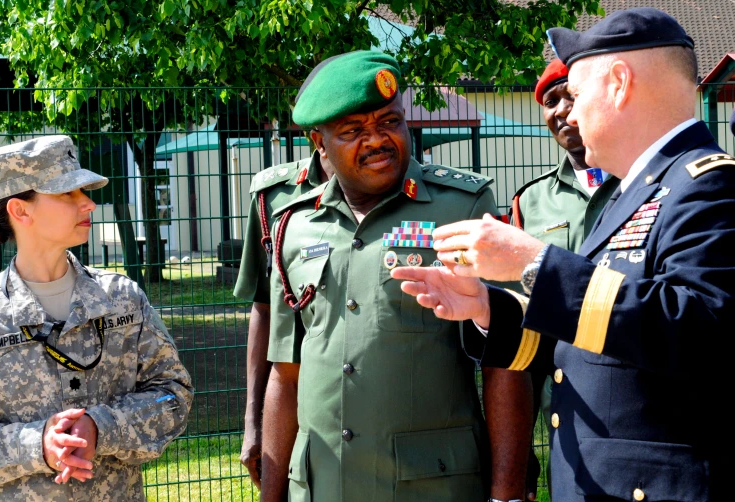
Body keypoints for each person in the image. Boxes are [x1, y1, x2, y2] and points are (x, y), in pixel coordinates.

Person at [393, 8, 732, 501]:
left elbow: (703, 334)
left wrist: (534, 264)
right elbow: (586, 343)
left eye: (575, 93)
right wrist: (487, 309)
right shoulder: (635, 191)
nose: (568, 113)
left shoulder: (708, 186)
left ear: (618, 82)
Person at [260, 50, 533, 502]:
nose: (377, 140)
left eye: (390, 122)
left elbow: (504, 359)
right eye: (353, 132)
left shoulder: (461, 207)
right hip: (322, 485)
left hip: (432, 484)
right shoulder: (293, 224)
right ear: (318, 143)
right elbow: (285, 372)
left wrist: (505, 494)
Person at [0, 136, 194, 501]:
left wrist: (101, 428)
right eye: (67, 194)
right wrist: (37, 444)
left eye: (83, 191)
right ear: (21, 211)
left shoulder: (122, 301)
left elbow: (172, 395)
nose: (89, 204)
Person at [518, 58, 620, 501]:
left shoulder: (647, 181)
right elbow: (523, 324)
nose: (561, 111)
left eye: (571, 96)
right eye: (550, 101)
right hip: (564, 400)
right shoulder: (531, 202)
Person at [234, 147, 332, 487]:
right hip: (295, 405)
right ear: (317, 135)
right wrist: (253, 422)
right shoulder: (273, 194)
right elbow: (264, 307)